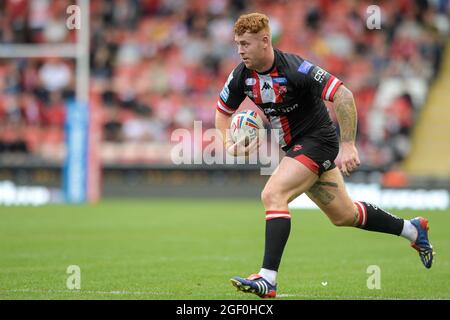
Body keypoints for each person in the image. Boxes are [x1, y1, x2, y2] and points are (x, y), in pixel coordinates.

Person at [214, 13, 434, 299]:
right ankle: (413, 230)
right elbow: (222, 113)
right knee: (345, 215)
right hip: (296, 148)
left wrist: (349, 145)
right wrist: (229, 143)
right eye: (238, 44)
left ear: (265, 41)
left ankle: (267, 279)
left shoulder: (296, 69)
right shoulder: (241, 75)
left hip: (318, 142)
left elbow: (343, 94)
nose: (240, 50)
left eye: (246, 44)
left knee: (273, 195)